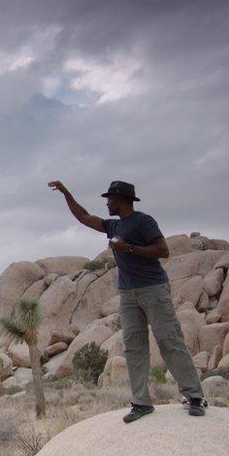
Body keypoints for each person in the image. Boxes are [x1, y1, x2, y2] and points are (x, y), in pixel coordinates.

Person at [48, 180, 206, 422]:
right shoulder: (113, 226)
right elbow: (84, 217)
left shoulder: (143, 221)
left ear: (121, 199)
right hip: (128, 293)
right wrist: (66, 193)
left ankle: (194, 396)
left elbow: (163, 250)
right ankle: (141, 402)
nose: (107, 203)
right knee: (134, 346)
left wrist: (128, 248)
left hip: (153, 288)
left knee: (169, 340)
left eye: (109, 199)